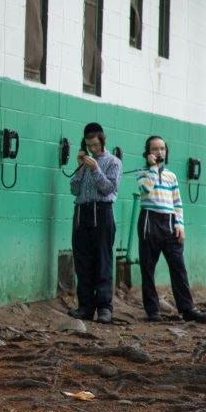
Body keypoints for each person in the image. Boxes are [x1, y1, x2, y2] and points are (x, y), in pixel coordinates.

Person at [136, 135, 206, 323]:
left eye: (162, 149)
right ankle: (153, 311)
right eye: (155, 149)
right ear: (148, 152)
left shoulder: (172, 176)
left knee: (178, 267)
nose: (159, 152)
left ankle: (187, 309)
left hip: (169, 223)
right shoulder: (142, 172)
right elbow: (145, 190)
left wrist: (180, 225)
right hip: (149, 221)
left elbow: (177, 202)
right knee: (148, 267)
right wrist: (153, 169)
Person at [67, 122, 122, 324]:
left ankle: (105, 308)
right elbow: (73, 189)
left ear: (102, 141)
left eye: (96, 145)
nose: (93, 149)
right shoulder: (84, 163)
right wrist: (81, 166)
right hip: (82, 212)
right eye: (89, 145)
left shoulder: (113, 162)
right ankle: (85, 307)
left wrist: (97, 169)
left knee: (103, 261)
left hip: (102, 212)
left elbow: (108, 189)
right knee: (83, 262)